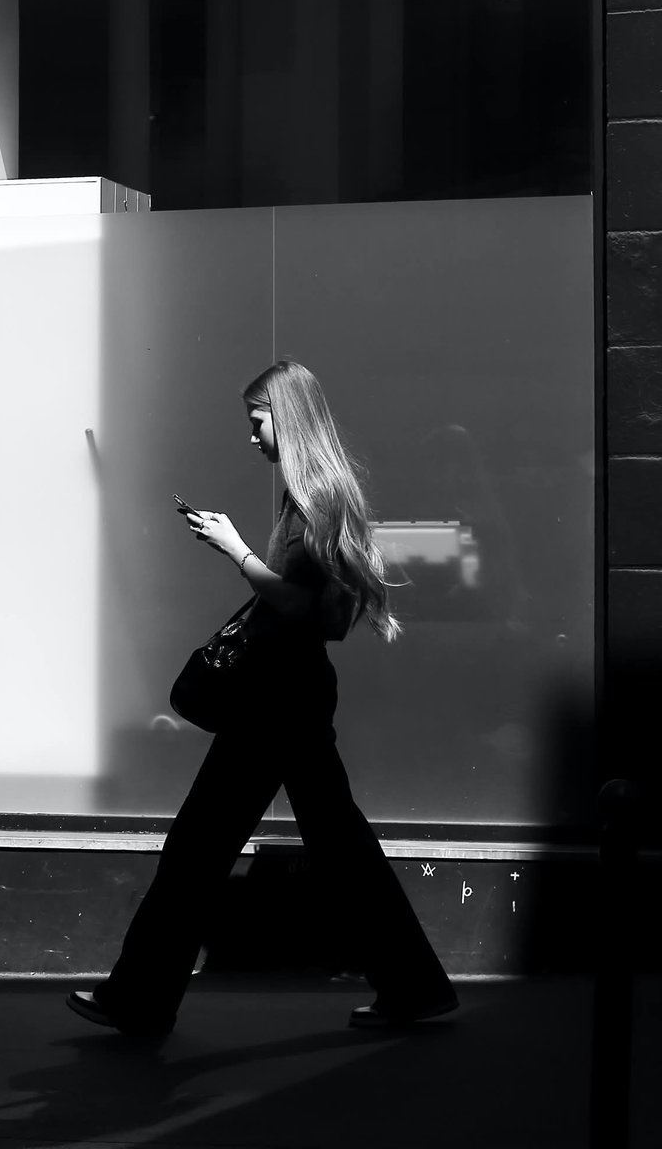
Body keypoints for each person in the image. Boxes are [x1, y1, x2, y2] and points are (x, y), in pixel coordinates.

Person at [67, 360, 458, 1035]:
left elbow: (311, 611)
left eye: (258, 421)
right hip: (292, 694)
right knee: (336, 846)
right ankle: (415, 986)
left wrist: (235, 549)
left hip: (278, 696)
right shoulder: (319, 494)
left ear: (288, 417)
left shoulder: (312, 500)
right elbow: (325, 615)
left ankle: (140, 998)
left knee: (199, 848)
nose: (251, 436)